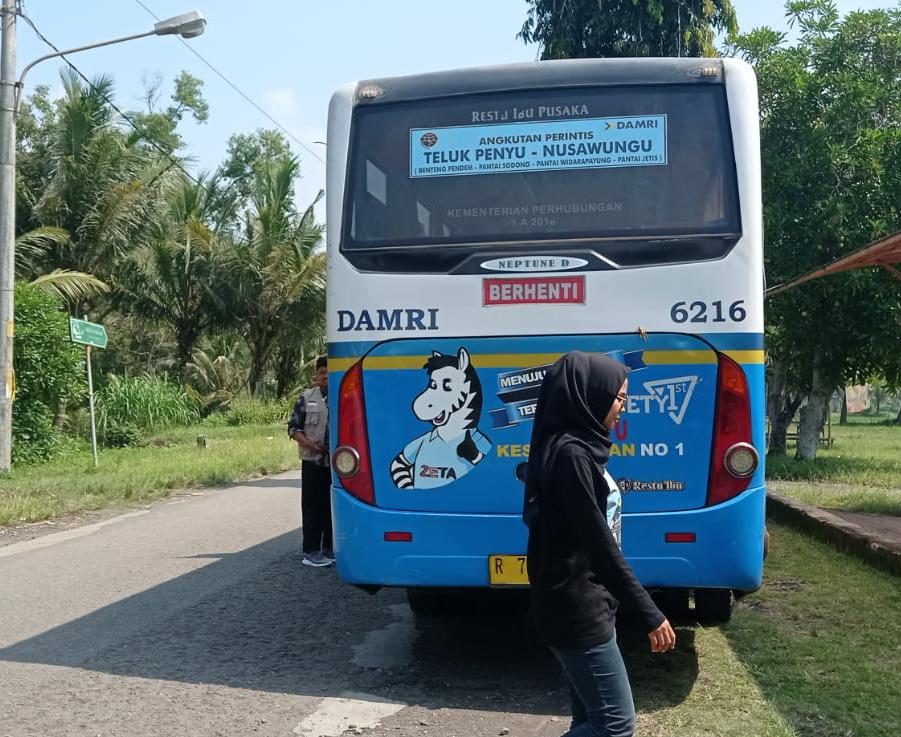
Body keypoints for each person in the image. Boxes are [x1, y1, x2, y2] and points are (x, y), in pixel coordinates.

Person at [524, 351, 676, 737]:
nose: (622, 408)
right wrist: (649, 612)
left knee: (589, 721)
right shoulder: (571, 456)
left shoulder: (574, 447)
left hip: (587, 601)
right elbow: (598, 541)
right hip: (576, 608)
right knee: (615, 726)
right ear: (589, 395)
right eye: (619, 398)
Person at [288, 356, 334, 568]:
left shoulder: (343, 396)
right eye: (322, 372)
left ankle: (329, 548)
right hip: (313, 461)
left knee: (331, 507)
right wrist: (312, 446)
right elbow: (293, 429)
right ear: (316, 375)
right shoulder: (306, 398)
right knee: (312, 507)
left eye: (330, 372)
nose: (326, 376)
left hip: (336, 464)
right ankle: (311, 551)